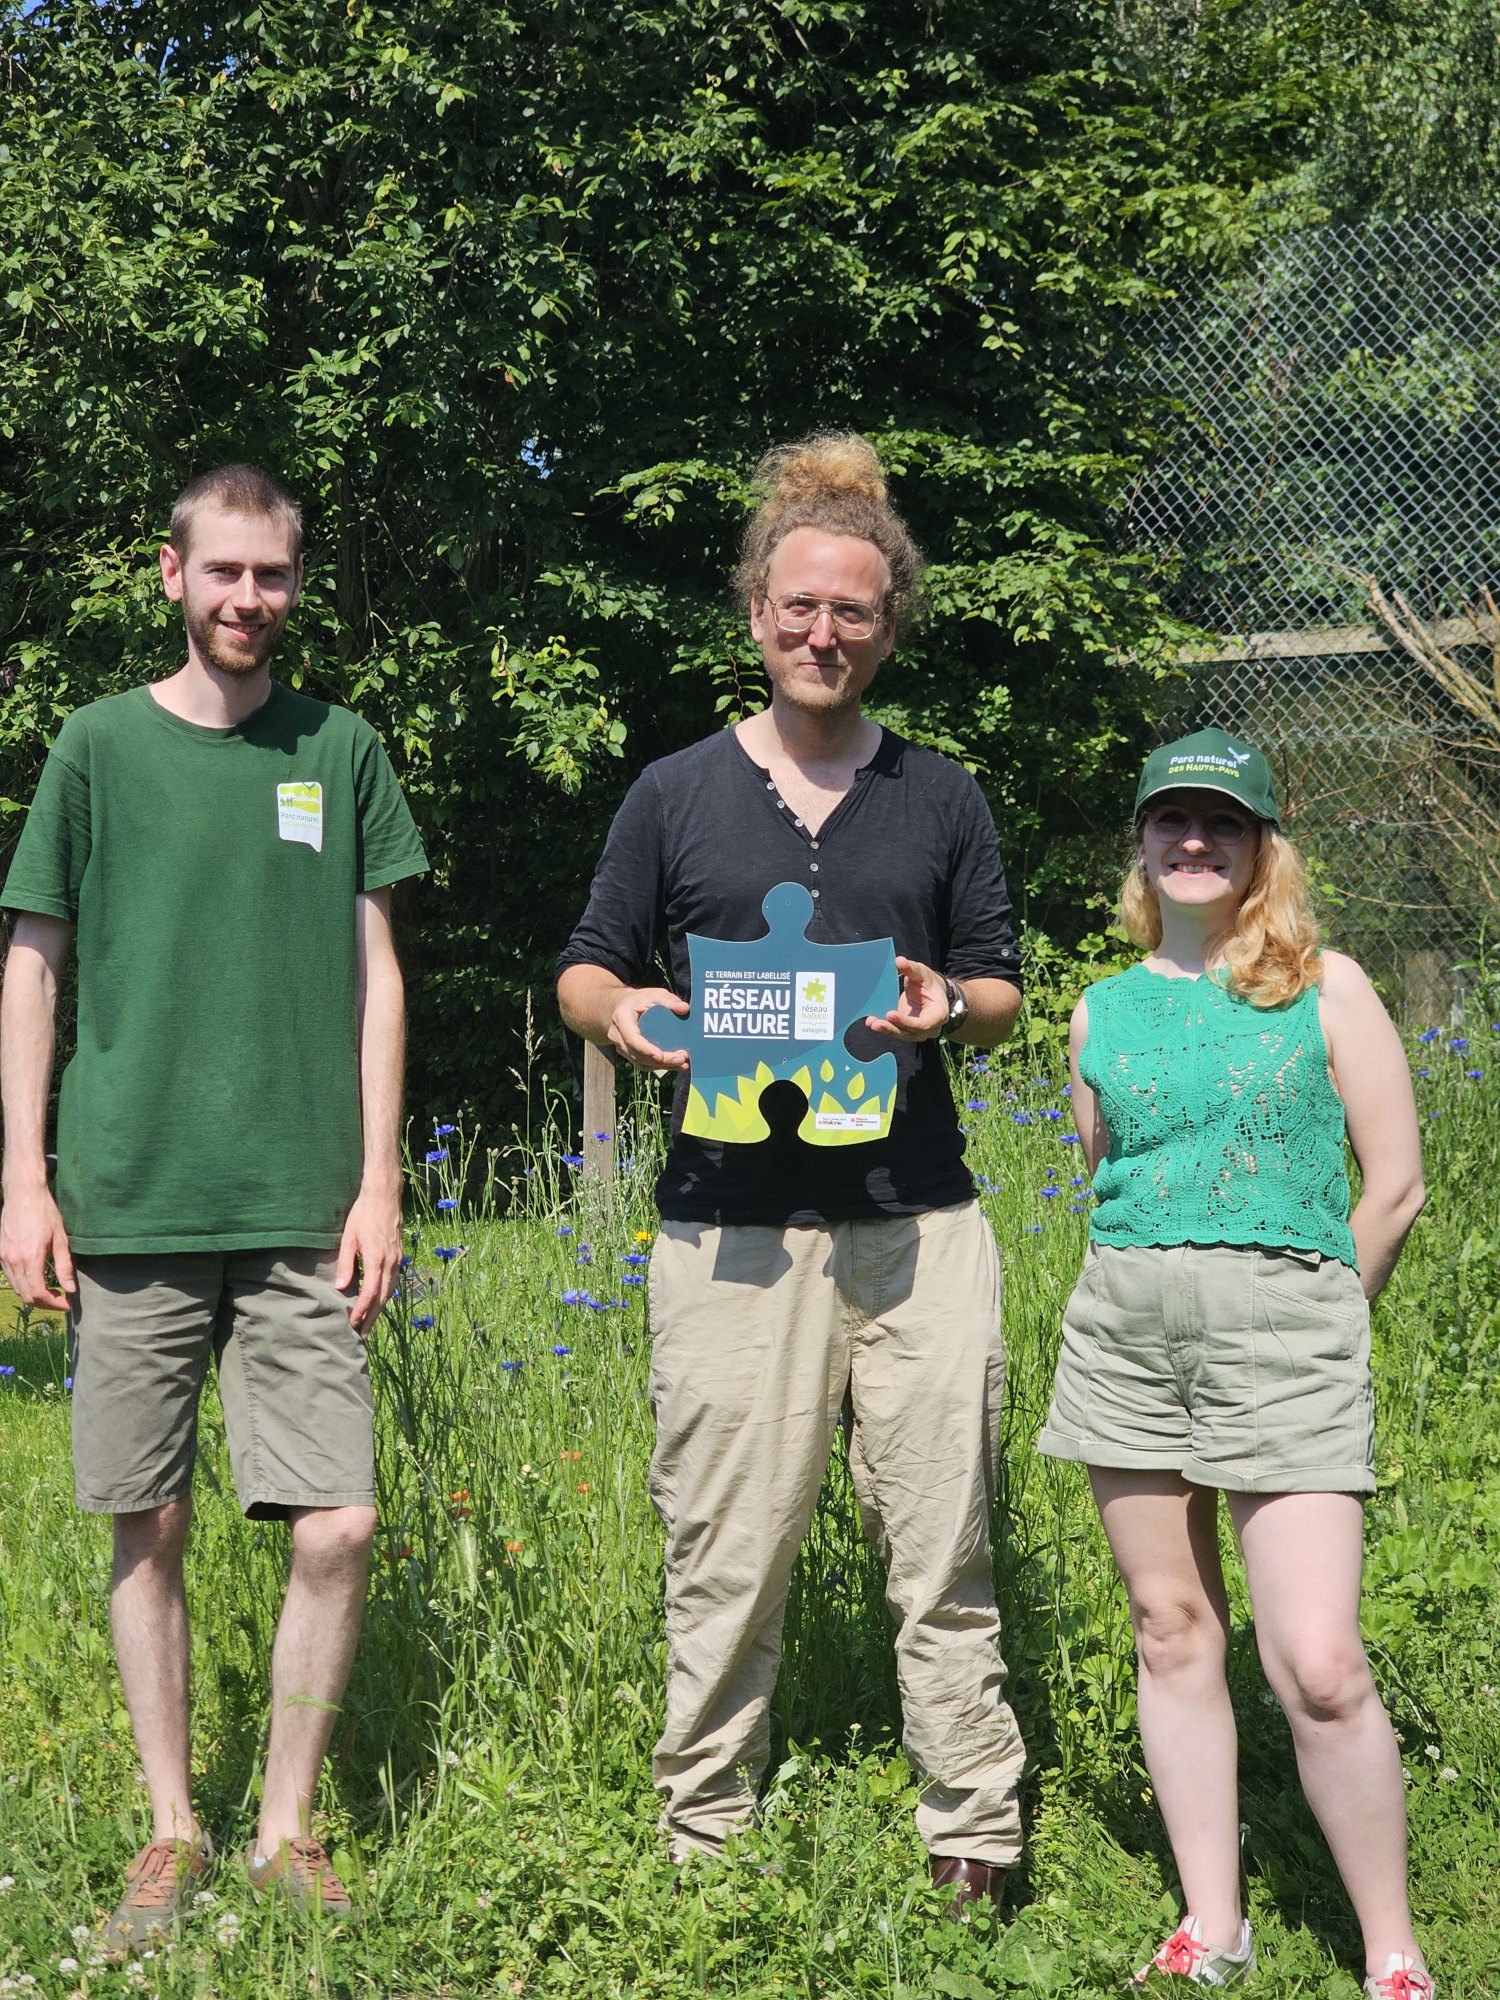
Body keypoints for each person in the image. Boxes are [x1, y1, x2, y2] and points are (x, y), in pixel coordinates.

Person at [557, 433, 1027, 1914]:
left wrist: (942, 1005)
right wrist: (628, 1017)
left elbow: (1001, 985)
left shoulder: (942, 797)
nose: (826, 634)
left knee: (940, 1539)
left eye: (857, 612)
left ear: (893, 626)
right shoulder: (674, 794)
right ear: (756, 611)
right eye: (800, 606)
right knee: (729, 1547)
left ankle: (976, 1837)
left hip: (917, 1229)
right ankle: (709, 1841)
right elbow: (586, 966)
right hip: (727, 1239)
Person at [0, 465, 427, 1950]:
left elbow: (381, 975)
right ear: (171, 575)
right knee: (149, 1516)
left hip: (308, 1205)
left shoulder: (342, 749)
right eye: (224, 572)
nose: (250, 599)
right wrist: (21, 1174)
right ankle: (174, 1830)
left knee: (341, 1524)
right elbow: (35, 963)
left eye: (274, 576)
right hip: (129, 1196)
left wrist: (380, 1182)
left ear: (297, 587)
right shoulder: (98, 748)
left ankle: (287, 1830)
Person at [1038, 730, 1431, 1997]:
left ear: (1263, 846)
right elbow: (1105, 1173)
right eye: (1171, 821)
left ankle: (1392, 1947)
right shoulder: (1101, 1006)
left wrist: (1318, 1316)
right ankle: (1215, 1923)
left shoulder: (1329, 985)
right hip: (1128, 1333)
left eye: (1221, 822)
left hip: (1290, 1333)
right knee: (1170, 1626)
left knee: (1318, 1661)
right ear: (1143, 844)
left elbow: (1397, 1187)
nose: (1193, 841)